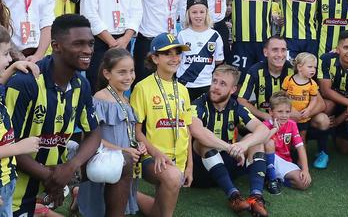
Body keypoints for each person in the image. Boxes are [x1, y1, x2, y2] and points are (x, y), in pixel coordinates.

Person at [5, 14, 131, 215]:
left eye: (90, 44)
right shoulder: (25, 83)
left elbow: (94, 132)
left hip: (61, 165)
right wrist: (50, 176)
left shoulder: (82, 85)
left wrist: (71, 166)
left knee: (123, 161)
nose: (88, 50)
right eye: (78, 44)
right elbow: (7, 145)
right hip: (20, 172)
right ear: (56, 46)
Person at [188, 65, 270, 216]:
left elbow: (263, 129)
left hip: (229, 164)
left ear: (233, 89)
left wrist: (243, 144)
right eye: (214, 81)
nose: (215, 87)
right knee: (202, 142)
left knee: (256, 141)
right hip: (201, 171)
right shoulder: (199, 104)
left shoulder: (236, 106)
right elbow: (196, 131)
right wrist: (229, 147)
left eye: (222, 84)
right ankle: (234, 197)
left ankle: (256, 197)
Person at [130, 33, 193, 217]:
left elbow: (186, 129)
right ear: (155, 58)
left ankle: (129, 195)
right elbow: (136, 131)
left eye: (178, 53)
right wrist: (156, 153)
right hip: (152, 158)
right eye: (168, 53)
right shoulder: (142, 87)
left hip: (179, 161)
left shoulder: (182, 90)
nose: (175, 58)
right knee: (172, 178)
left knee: (157, 211)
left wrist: (190, 166)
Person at [77, 48, 144, 216]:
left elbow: (128, 133)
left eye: (131, 71)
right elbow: (90, 137)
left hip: (125, 162)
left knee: (117, 202)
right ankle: (78, 199)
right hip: (104, 162)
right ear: (107, 74)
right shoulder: (100, 99)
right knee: (100, 205)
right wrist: (122, 150)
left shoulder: (127, 100)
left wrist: (138, 146)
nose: (128, 77)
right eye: (122, 72)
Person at [0, 26, 41, 216]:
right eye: (6, 54)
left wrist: (13, 68)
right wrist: (18, 148)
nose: (10, 59)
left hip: (7, 181)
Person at [282, 53, 329, 168]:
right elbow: (283, 96)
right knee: (286, 138)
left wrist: (309, 110)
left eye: (315, 67)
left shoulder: (312, 84)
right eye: (310, 67)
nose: (313, 70)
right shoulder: (289, 80)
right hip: (289, 118)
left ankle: (301, 162)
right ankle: (285, 159)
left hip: (304, 119)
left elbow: (314, 100)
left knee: (301, 139)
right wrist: (290, 109)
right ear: (299, 67)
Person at [177, 0, 224, 100]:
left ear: (207, 13)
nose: (198, 16)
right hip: (184, 84)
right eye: (194, 12)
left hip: (206, 85)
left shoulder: (215, 35)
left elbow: (218, 60)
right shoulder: (182, 35)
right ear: (188, 14)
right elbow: (178, 59)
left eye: (202, 12)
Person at [263, 92, 311, 194]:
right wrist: (275, 129)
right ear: (271, 111)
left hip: (285, 160)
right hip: (268, 160)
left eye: (287, 112)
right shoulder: (265, 125)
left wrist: (305, 169)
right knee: (269, 143)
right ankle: (271, 179)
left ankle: (279, 180)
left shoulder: (292, 124)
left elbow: (300, 147)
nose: (284, 115)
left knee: (304, 183)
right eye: (280, 111)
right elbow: (261, 142)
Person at [238, 36, 294, 121]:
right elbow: (241, 100)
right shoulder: (255, 70)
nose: (279, 54)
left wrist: (305, 113)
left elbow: (318, 101)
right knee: (240, 118)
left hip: (289, 118)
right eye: (275, 50)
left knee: (321, 119)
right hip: (263, 120)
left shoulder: (293, 70)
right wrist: (263, 115)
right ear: (265, 52)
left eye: (283, 50)